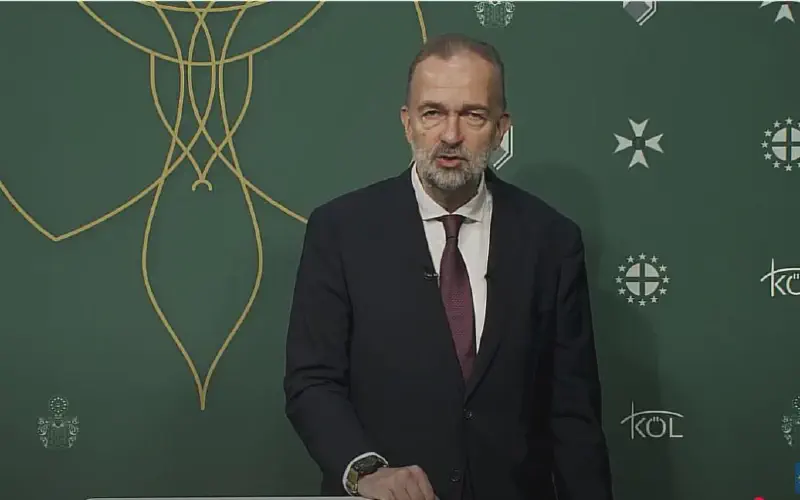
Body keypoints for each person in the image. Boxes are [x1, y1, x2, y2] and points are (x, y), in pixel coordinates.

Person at [283, 33, 614, 500]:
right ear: (407, 123)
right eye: (433, 113)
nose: (451, 135)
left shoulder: (552, 240)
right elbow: (312, 380)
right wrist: (366, 471)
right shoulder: (340, 230)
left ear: (501, 128)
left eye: (472, 115)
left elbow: (573, 415)